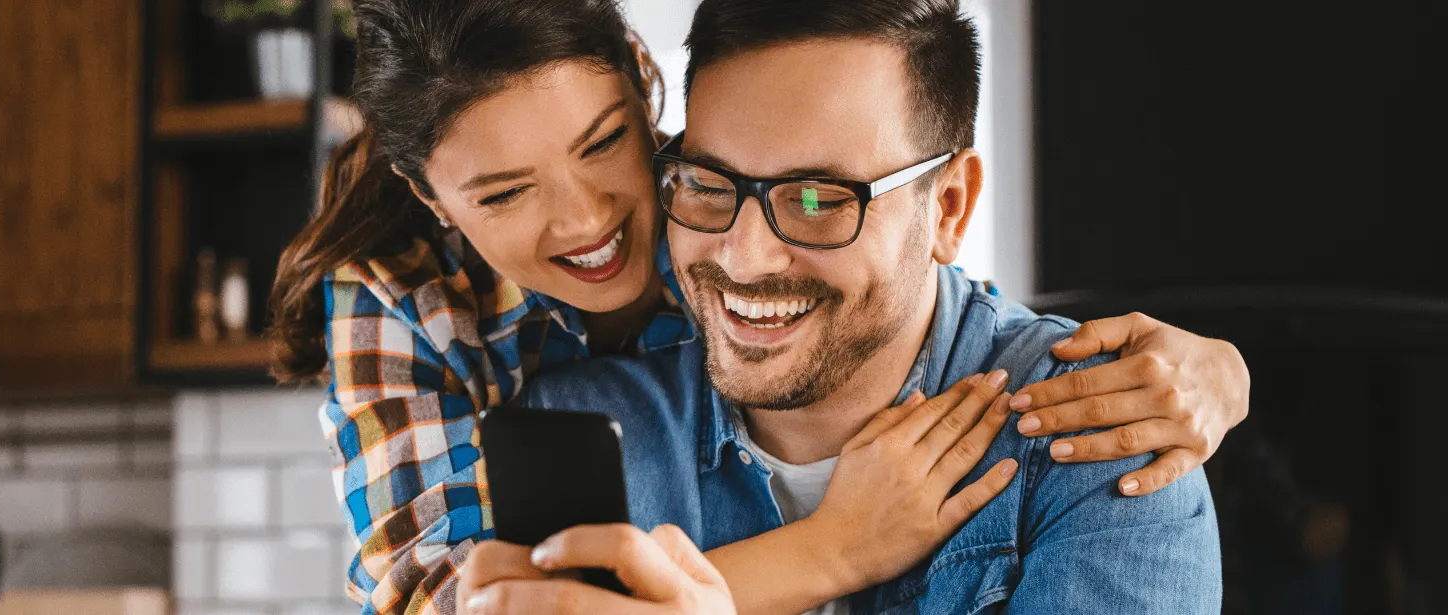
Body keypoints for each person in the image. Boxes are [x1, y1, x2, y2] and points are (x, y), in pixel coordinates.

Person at [267, 0, 1249, 613]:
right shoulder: (536, 413)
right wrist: (817, 556)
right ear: (437, 197)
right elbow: (426, 592)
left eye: (819, 197)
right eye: (712, 187)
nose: (744, 254)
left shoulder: (1102, 435)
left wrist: (1229, 367)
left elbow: (921, 291)